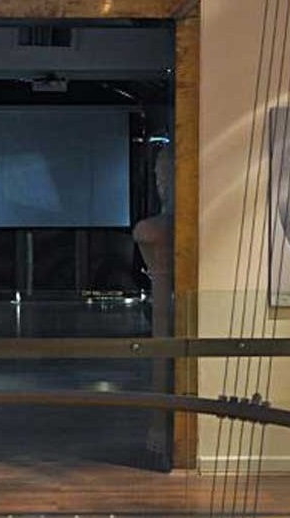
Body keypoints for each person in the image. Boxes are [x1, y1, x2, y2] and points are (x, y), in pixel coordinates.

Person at [133, 144, 173, 464]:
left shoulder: (154, 229)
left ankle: (163, 428)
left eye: (164, 173)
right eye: (157, 174)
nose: (159, 181)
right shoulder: (152, 228)